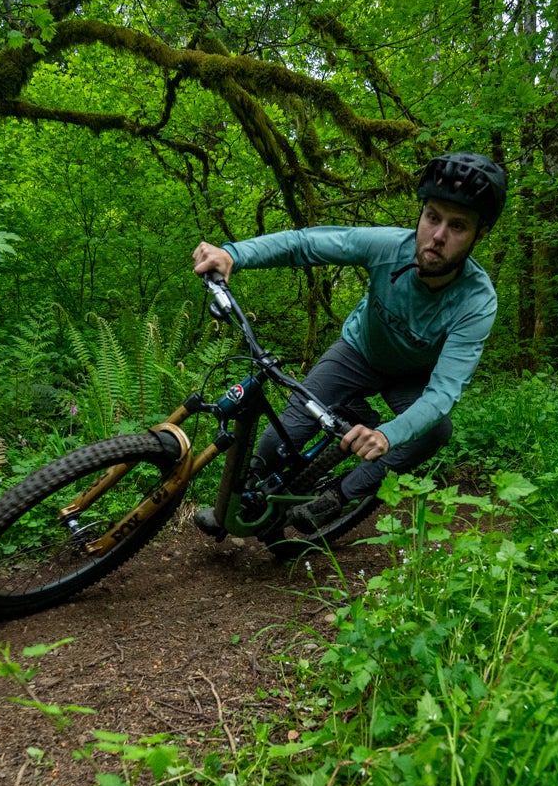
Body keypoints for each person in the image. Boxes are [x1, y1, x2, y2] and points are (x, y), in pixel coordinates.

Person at [190, 152, 505, 537]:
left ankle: (337, 498)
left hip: (412, 376)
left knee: (435, 433)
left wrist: (387, 434)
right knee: (277, 439)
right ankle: (237, 506)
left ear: (479, 234)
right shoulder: (388, 247)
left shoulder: (477, 301)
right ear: (420, 214)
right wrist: (234, 254)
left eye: (457, 226)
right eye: (432, 217)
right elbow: (306, 244)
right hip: (358, 352)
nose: (438, 236)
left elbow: (442, 392)